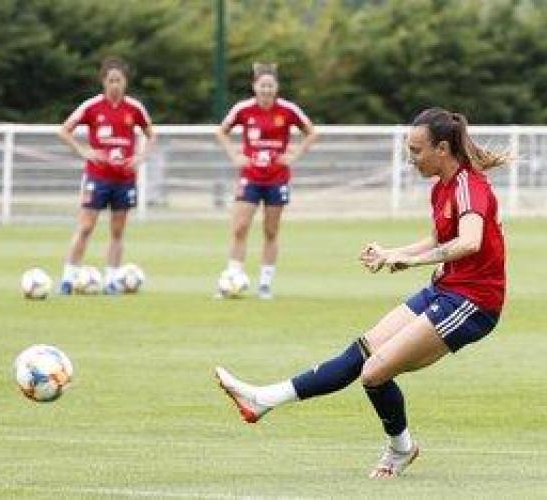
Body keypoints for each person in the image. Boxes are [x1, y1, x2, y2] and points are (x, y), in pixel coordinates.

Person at [215, 107, 508, 478]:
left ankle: (400, 449)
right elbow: (438, 238)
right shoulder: (442, 187)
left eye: (416, 150)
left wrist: (411, 261)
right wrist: (392, 253)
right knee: (360, 353)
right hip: (445, 289)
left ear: (443, 149)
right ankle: (263, 399)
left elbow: (469, 241)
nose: (411, 158)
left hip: (473, 302)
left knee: (373, 373)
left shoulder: (469, 185)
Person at [216, 62, 318, 299]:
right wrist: (235, 156)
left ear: (276, 87)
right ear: (254, 86)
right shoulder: (243, 109)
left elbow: (312, 132)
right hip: (250, 176)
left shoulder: (288, 110)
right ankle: (232, 277)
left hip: (277, 178)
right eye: (262, 85)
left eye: (270, 86)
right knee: (240, 228)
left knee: (270, 231)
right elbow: (221, 131)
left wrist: (294, 155)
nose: (266, 90)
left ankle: (264, 284)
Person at [57, 57, 155, 294]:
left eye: (118, 80)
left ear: (125, 82)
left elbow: (151, 134)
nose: (115, 85)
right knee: (85, 227)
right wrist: (84, 151)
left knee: (117, 231)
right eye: (111, 80)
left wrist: (140, 157)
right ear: (103, 82)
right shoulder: (92, 107)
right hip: (97, 177)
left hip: (124, 180)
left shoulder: (134, 108)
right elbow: (64, 130)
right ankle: (68, 278)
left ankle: (111, 280)